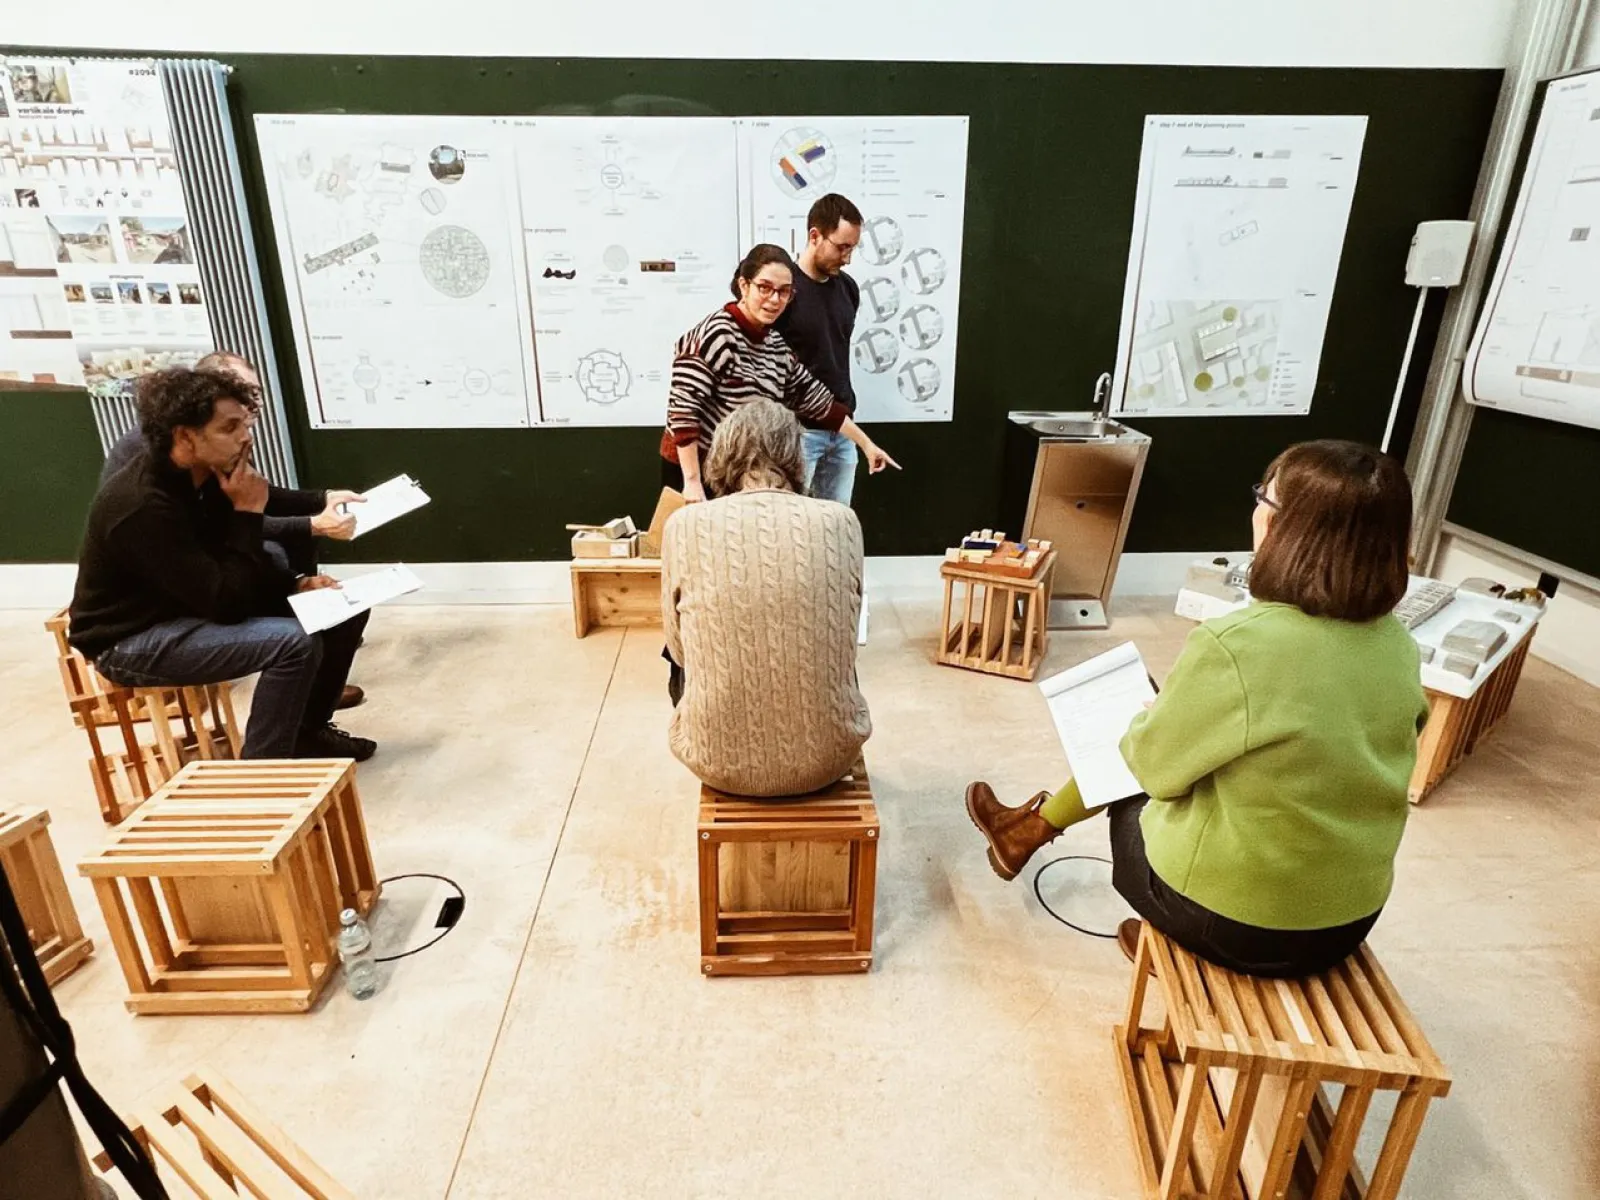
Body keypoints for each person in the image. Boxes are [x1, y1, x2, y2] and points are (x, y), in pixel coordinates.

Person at [964, 440, 1430, 978]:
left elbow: (1152, 769)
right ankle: (1026, 830)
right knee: (1190, 737)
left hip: (1234, 922)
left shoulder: (1237, 643)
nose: (1256, 511)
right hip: (1344, 924)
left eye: (1266, 500)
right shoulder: (1398, 644)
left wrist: (1151, 719)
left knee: (1130, 736)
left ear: (1291, 530)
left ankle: (1037, 838)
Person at [69, 367, 376, 761]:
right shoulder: (142, 506)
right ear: (184, 437)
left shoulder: (203, 475)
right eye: (229, 428)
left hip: (187, 605)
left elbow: (232, 566)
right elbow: (226, 602)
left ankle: (306, 733)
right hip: (132, 638)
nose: (245, 437)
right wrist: (248, 513)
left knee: (342, 611)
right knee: (293, 644)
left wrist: (294, 586)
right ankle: (263, 776)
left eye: (244, 424)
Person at [661, 401, 871, 797]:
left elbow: (680, 650)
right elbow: (847, 640)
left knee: (678, 658)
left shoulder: (684, 526)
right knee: (830, 649)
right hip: (830, 758)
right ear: (795, 457)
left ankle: (720, 731)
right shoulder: (841, 521)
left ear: (721, 457)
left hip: (715, 761)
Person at [660, 243, 898, 505]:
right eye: (765, 288)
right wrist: (692, 482)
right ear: (744, 285)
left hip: (736, 470)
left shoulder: (776, 346)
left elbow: (816, 400)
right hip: (693, 465)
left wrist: (866, 445)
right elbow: (683, 410)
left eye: (784, 292)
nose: (774, 299)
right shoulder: (716, 334)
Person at [774, 193, 863, 505]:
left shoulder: (848, 288)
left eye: (852, 248)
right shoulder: (784, 291)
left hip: (842, 431)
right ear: (815, 235)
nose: (848, 257)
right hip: (798, 433)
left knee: (838, 529)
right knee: (792, 528)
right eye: (841, 247)